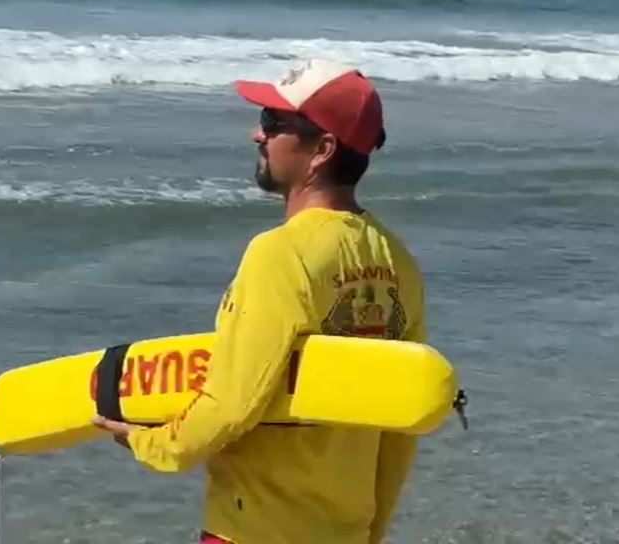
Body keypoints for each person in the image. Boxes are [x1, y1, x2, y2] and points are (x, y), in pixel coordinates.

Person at [92, 58, 429, 544]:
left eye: (274, 122)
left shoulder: (280, 254)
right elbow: (398, 427)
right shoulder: (399, 263)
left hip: (255, 529)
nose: (257, 134)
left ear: (322, 149)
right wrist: (372, 530)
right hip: (345, 531)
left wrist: (153, 444)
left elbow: (233, 402)